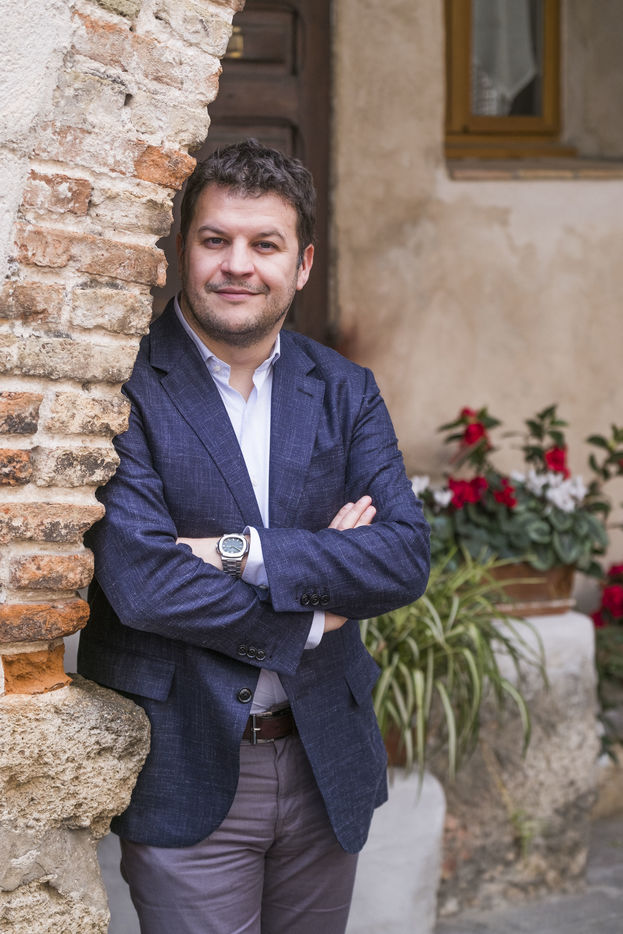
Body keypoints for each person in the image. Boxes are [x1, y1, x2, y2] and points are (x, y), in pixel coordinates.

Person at [78, 138, 430, 934]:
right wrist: (310, 612)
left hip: (322, 756)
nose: (237, 265)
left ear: (301, 265)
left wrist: (241, 553)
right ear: (182, 249)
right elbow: (144, 583)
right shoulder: (121, 387)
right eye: (216, 239)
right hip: (184, 761)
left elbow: (402, 556)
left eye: (264, 245)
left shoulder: (344, 389)